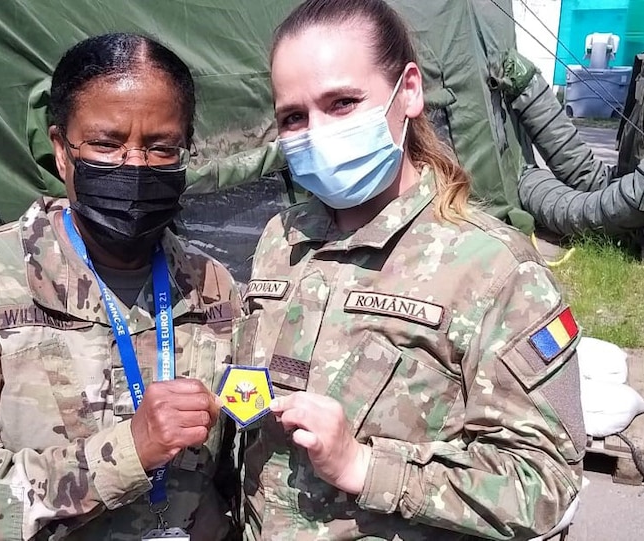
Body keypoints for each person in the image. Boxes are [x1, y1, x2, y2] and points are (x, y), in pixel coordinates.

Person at [238, 0, 585, 539]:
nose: (317, 132)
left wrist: (365, 466)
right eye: (294, 117)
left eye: (343, 102)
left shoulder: (495, 268)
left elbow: (544, 485)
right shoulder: (280, 240)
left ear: (409, 92)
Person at [0, 33, 243, 540]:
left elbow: (240, 477)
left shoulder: (214, 292)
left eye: (161, 148)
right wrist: (123, 455)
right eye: (106, 144)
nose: (134, 167)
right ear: (61, 150)